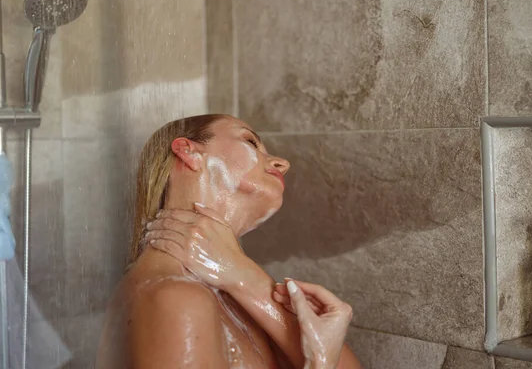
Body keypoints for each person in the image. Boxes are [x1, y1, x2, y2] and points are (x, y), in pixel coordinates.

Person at [96, 114, 361, 369]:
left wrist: (246, 276)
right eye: (251, 142)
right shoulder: (175, 298)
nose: (282, 162)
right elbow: (323, 358)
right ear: (188, 152)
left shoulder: (233, 295)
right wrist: (319, 363)